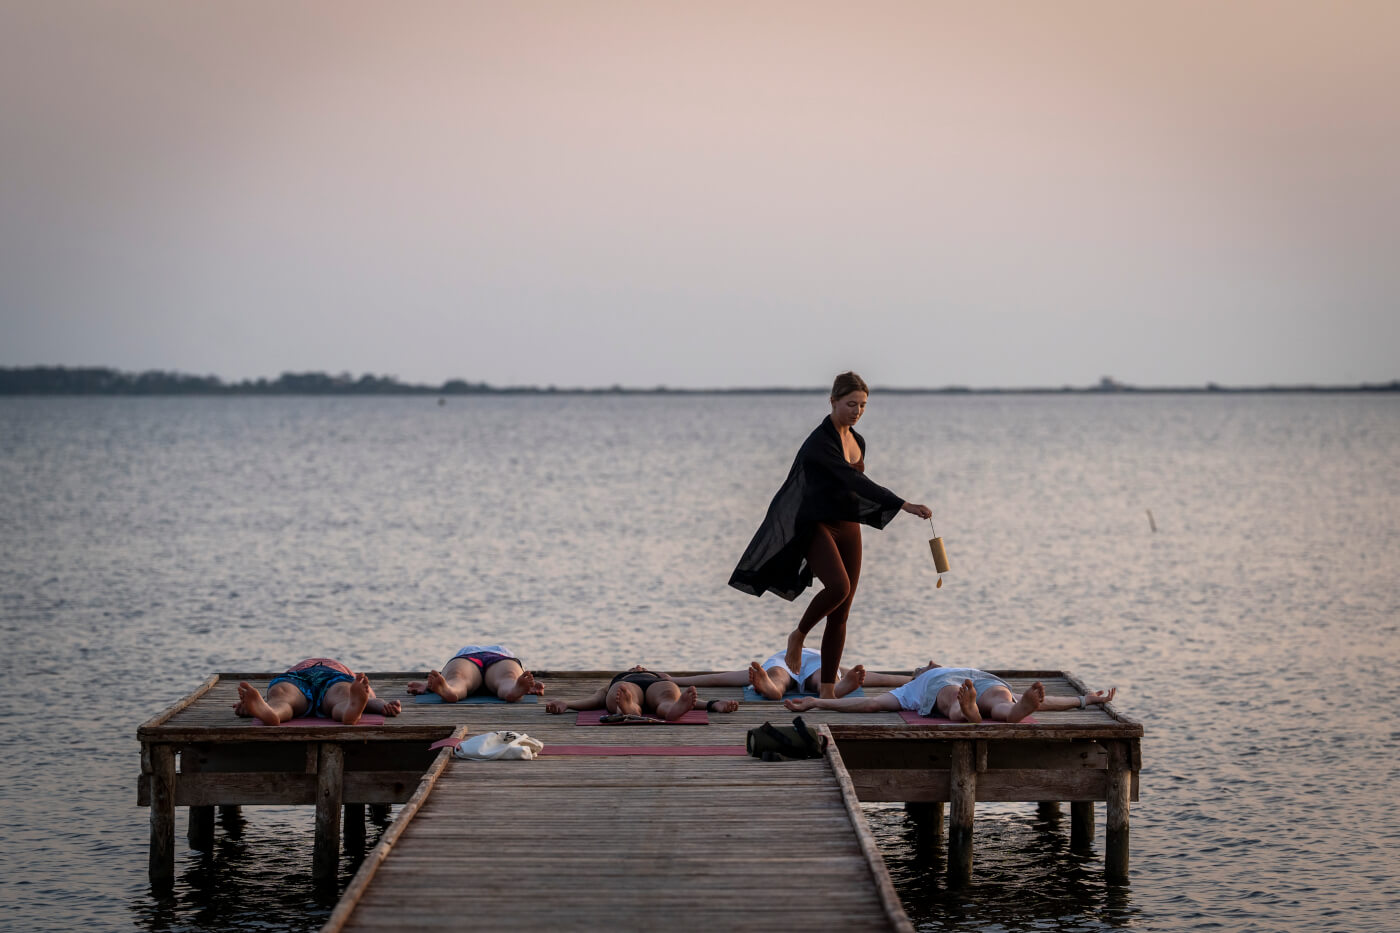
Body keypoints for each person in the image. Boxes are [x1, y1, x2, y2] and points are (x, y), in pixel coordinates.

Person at [729, 371, 933, 698]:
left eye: (863, 405)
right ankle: (798, 635)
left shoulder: (857, 440)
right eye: (851, 404)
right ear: (833, 401)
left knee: (842, 611)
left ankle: (827, 692)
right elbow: (854, 481)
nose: (857, 411)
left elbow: (853, 490)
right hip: (815, 524)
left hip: (848, 526)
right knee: (838, 586)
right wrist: (902, 504)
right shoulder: (820, 443)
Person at [782, 662, 1116, 723]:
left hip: (976, 681)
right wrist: (815, 701)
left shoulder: (914, 685)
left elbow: (869, 704)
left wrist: (1085, 700)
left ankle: (970, 712)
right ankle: (979, 711)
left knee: (1000, 700)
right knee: (999, 703)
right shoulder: (912, 684)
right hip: (974, 682)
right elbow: (870, 702)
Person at [671, 647, 912, 700]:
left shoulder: (779, 658)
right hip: (821, 662)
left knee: (777, 674)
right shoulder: (820, 655)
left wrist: (674, 680)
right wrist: (914, 679)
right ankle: (835, 689)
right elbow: (880, 677)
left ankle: (773, 688)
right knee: (825, 677)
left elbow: (718, 678)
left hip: (784, 663)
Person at [233, 658, 403, 725]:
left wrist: (248, 708)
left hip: (296, 678)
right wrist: (383, 706)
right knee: (343, 696)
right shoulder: (343, 670)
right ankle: (349, 711)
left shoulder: (296, 668)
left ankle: (272, 712)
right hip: (333, 678)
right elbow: (370, 699)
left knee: (282, 696)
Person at [544, 667, 741, 722]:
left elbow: (596, 700)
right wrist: (567, 703)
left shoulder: (658, 678)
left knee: (669, 699)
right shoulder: (619, 680)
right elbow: (596, 699)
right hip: (643, 685)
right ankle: (631, 707)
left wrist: (713, 703)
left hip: (645, 685)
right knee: (666, 700)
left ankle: (631, 708)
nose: (638, 665)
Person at [406, 644, 543, 703]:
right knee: (508, 677)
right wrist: (531, 685)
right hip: (500, 658)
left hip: (467, 657)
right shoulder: (503, 651)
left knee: (457, 676)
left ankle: (450, 689)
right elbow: (526, 678)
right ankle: (512, 690)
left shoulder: (466, 650)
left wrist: (427, 686)